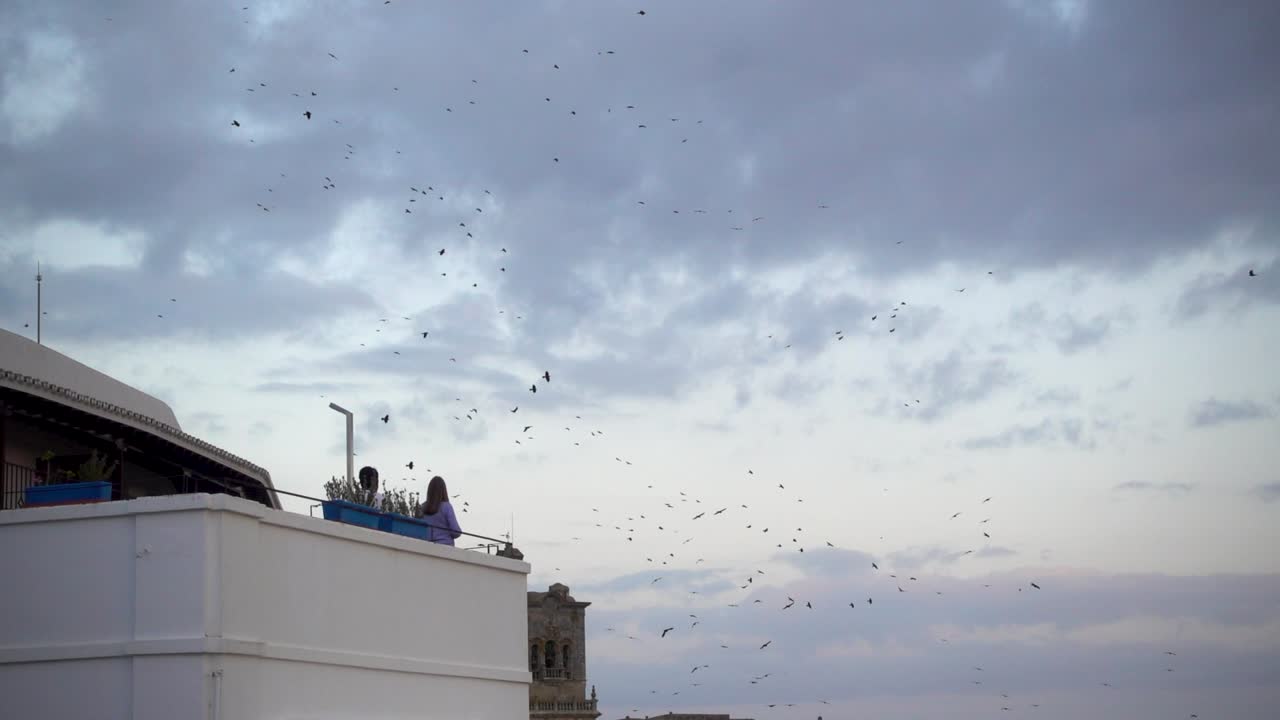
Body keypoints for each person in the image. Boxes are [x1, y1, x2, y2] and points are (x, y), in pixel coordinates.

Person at [420, 475, 462, 546]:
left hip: (426, 546)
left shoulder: (422, 507)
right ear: (444, 490)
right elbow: (456, 532)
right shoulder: (446, 506)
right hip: (445, 546)